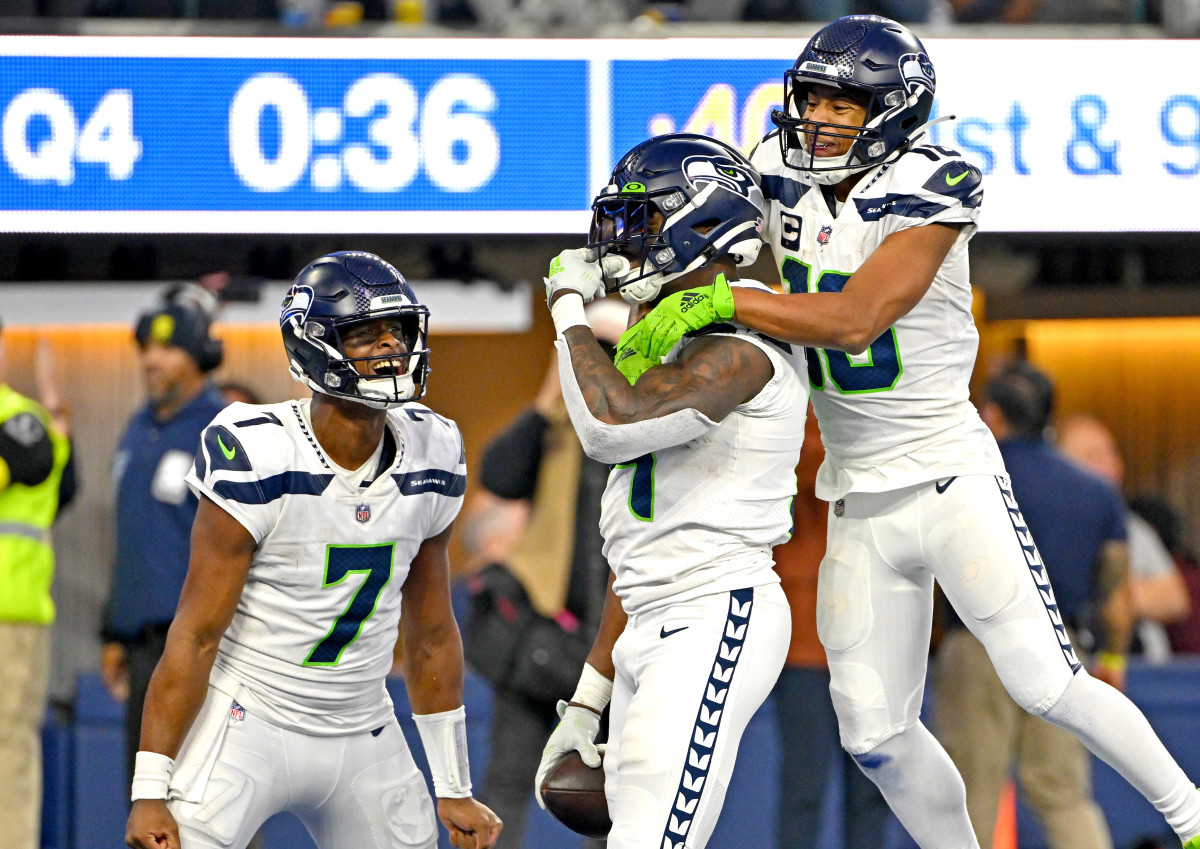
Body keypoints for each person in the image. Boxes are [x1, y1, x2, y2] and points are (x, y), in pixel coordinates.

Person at [615, 16, 1200, 848]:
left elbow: (857, 319)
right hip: (856, 491)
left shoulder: (937, 181)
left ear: (893, 112)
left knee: (1047, 681)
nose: (816, 117)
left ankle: (1193, 817)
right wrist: (628, 260)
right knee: (876, 736)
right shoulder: (780, 167)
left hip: (949, 476)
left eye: (841, 103)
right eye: (809, 96)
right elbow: (697, 220)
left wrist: (725, 301)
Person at [123, 251, 500, 849]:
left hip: (362, 724)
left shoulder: (434, 447)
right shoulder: (258, 451)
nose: (390, 348)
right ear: (313, 346)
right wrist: (149, 789)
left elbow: (430, 631)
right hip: (250, 713)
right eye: (365, 333)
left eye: (397, 330)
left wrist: (452, 783)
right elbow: (195, 633)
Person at [534, 133, 807, 849]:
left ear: (703, 224)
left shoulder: (744, 340)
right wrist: (588, 697)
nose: (624, 241)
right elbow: (640, 555)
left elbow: (608, 426)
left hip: (715, 609)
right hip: (655, 615)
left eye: (643, 219)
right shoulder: (664, 341)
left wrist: (567, 308)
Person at [935, 361, 1130, 849]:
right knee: (1062, 793)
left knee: (970, 792)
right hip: (1060, 648)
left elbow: (927, 566)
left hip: (978, 644)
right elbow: (1115, 589)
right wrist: (1110, 658)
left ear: (993, 414)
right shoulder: (1096, 491)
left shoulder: (962, 480)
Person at [467, 300, 624, 849]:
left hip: (619, 643)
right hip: (545, 634)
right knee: (506, 784)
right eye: (586, 353)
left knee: (613, 798)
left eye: (609, 351)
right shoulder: (556, 424)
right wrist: (548, 393)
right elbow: (501, 475)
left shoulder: (653, 425)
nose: (597, 364)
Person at [100, 285, 229, 786]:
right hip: (143, 649)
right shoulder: (136, 429)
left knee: (212, 801)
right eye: (146, 349)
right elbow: (130, 539)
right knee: (148, 799)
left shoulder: (223, 429)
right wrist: (114, 632)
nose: (151, 360)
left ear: (200, 355)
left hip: (203, 648)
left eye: (168, 348)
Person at [771, 412, 890, 849]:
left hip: (870, 642)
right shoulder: (790, 414)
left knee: (872, 790)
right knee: (804, 788)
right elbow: (799, 470)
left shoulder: (876, 414)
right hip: (807, 644)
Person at [0, 315, 76, 849]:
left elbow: (54, 470)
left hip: (10, 617)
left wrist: (54, 409)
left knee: (6, 751)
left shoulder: (19, 424)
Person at [1058, 413, 1191, 663]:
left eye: (1112, 454)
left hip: (1139, 670)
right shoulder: (1044, 527)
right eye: (1094, 456)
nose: (1111, 465)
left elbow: (1175, 599)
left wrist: (1109, 594)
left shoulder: (1131, 527)